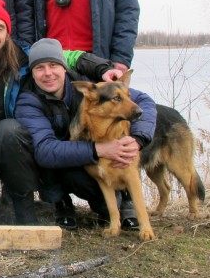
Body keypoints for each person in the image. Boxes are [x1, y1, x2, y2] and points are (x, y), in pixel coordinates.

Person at [0, 0, 122, 225]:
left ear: (7, 33)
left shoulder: (24, 58)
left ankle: (24, 210)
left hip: (12, 145)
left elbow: (68, 57)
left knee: (9, 130)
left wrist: (102, 68)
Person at [15, 38, 156, 231]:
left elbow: (144, 102)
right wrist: (100, 149)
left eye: (53, 65)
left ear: (64, 67)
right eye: (39, 68)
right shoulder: (27, 101)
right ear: (32, 72)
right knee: (70, 173)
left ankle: (121, 203)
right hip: (64, 164)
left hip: (87, 154)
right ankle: (61, 203)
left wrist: (138, 139)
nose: (48, 73)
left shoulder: (92, 87)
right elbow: (45, 151)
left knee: (111, 179)